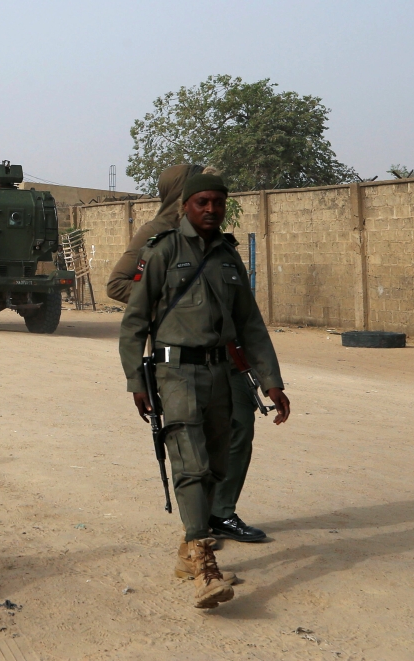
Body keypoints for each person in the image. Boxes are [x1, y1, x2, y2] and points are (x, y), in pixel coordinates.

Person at [119, 173, 290, 609]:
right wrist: (136, 381)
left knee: (215, 463)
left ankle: (187, 551)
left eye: (217, 202)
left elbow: (251, 324)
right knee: (190, 463)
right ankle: (203, 564)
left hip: (220, 374)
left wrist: (272, 381)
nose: (211, 209)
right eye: (202, 202)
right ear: (186, 205)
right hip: (175, 373)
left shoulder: (230, 257)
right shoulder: (162, 251)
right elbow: (133, 323)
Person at [107, 164, 266, 542]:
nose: (210, 205)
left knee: (240, 427)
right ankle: (200, 531)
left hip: (227, 353)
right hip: (180, 356)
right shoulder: (156, 235)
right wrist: (175, 304)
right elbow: (118, 285)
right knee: (189, 442)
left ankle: (221, 511)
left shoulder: (216, 238)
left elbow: (247, 314)